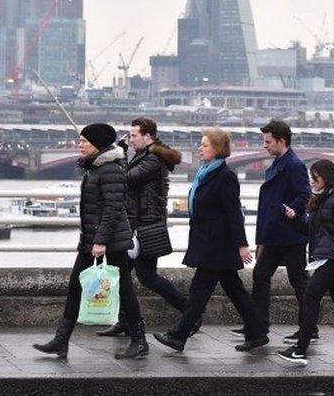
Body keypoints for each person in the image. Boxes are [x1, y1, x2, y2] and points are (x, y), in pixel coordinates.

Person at [33, 123, 147, 359]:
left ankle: (139, 340)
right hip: (91, 239)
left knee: (125, 290)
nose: (79, 145)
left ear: (97, 144)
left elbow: (114, 208)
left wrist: (101, 240)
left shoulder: (110, 170)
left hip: (109, 241)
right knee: (75, 285)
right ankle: (61, 341)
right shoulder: (95, 168)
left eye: (84, 141)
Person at [153, 128, 269, 353]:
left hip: (218, 244)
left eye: (204, 145)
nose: (200, 148)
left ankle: (179, 336)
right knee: (234, 290)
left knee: (199, 291)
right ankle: (258, 332)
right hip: (208, 241)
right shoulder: (205, 172)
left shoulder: (225, 176)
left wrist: (241, 244)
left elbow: (234, 213)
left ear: (217, 150)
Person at [98, 118, 190, 337]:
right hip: (136, 224)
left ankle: (190, 311)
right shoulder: (144, 155)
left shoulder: (154, 159)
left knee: (147, 277)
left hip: (146, 227)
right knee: (122, 274)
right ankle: (126, 321)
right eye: (129, 136)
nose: (130, 140)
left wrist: (118, 156)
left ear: (147, 136)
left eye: (133, 136)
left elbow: (128, 178)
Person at [277, 160, 334, 366]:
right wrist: (293, 218)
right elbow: (310, 231)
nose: (312, 181)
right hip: (326, 257)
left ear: (326, 177)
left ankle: (300, 350)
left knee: (310, 297)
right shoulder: (322, 200)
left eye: (315, 177)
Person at [240, 120, 310, 344]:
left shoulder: (294, 165)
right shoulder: (281, 163)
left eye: (268, 142)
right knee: (261, 276)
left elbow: (304, 194)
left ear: (282, 141)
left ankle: (308, 327)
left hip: (289, 234)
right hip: (274, 234)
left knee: (298, 281)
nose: (264, 146)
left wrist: (288, 211)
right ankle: (258, 325)